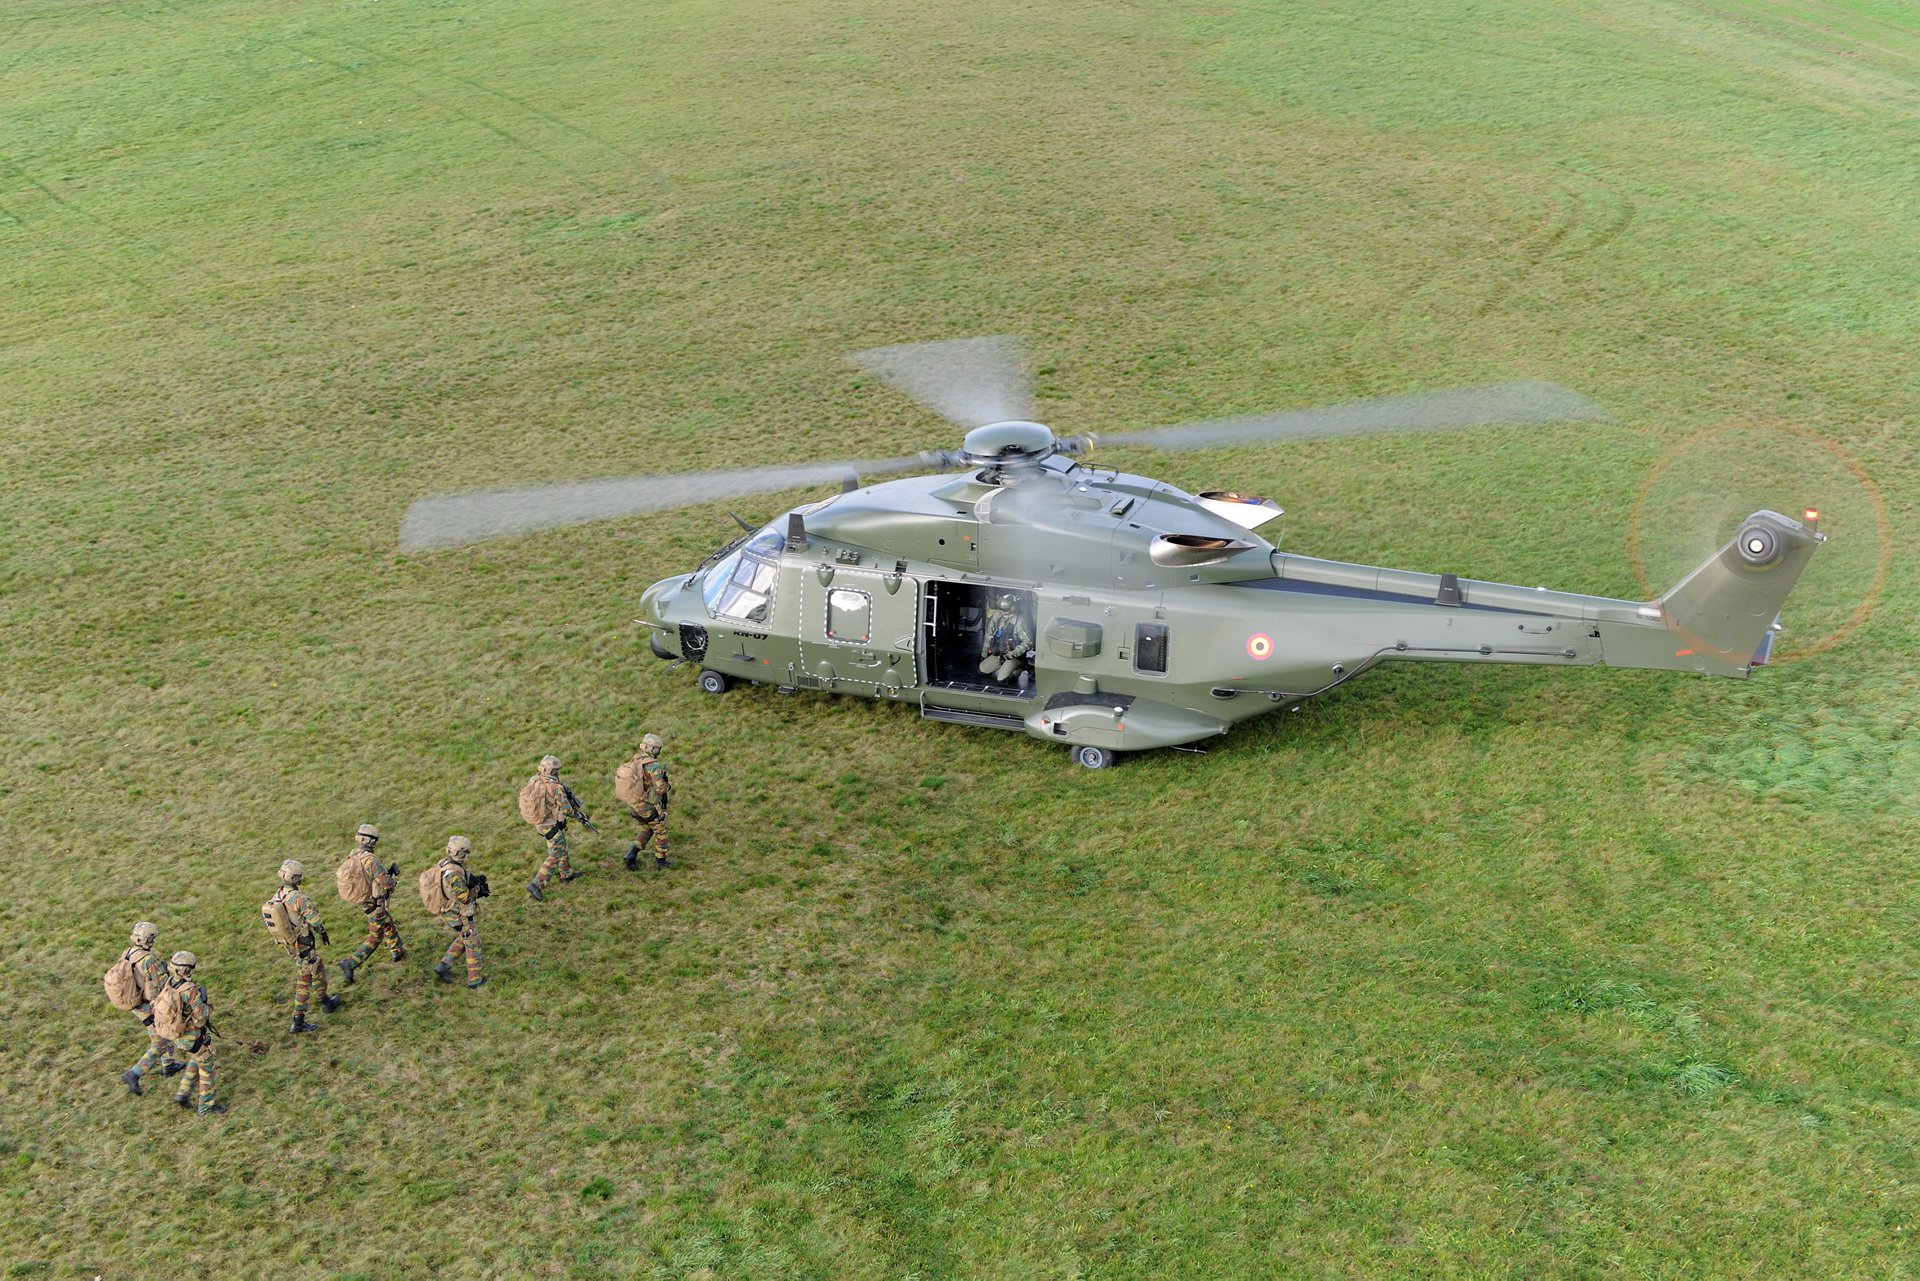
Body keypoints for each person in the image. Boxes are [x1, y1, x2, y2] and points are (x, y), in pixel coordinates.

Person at [263, 858, 343, 1033]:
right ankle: (298, 1021)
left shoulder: (279, 894)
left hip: (291, 943)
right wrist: (322, 932)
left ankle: (325, 1000)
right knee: (305, 979)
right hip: (303, 944)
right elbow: (314, 919)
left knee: (317, 968)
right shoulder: (298, 898)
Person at [118, 921, 183, 1094]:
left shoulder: (128, 952)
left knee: (165, 1031)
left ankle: (168, 1065)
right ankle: (134, 1074)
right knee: (160, 1041)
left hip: (135, 1002)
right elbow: (162, 984)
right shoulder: (148, 960)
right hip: (147, 1006)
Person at [155, 950, 223, 1116]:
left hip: (176, 1034)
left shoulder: (169, 983)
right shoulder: (189, 990)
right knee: (207, 1067)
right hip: (192, 1037)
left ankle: (183, 1093)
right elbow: (201, 1014)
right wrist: (208, 1005)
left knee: (197, 1059)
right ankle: (206, 1107)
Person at [338, 823, 404, 985]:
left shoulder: (354, 854)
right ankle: (351, 963)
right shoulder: (371, 860)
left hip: (363, 899)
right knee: (376, 935)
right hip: (374, 902)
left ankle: (398, 951)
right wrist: (392, 882)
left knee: (387, 922)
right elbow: (385, 882)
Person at [521, 755, 591, 901]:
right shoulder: (555, 787)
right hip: (550, 824)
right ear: (554, 770)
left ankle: (565, 873)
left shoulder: (535, 780)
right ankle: (536, 884)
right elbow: (566, 809)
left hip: (541, 823)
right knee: (556, 853)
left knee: (560, 845)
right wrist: (577, 816)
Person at [432, 836, 488, 989]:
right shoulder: (454, 874)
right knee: (473, 942)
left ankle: (444, 965)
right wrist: (477, 890)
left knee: (464, 936)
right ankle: (475, 980)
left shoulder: (444, 863)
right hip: (456, 912)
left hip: (447, 909)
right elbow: (463, 897)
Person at [616, 733, 674, 872]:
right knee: (661, 830)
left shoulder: (636, 760)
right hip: (645, 806)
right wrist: (668, 785)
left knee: (648, 828)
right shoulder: (654, 766)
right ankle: (661, 861)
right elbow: (660, 789)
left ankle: (631, 855)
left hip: (633, 804)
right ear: (653, 749)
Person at [979, 591, 1033, 683]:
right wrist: (984, 652)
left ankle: (1021, 667)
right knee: (982, 669)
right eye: (1002, 610)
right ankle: (1004, 665)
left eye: (1006, 611)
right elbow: (989, 634)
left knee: (1002, 680)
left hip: (1013, 656)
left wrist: (1010, 655)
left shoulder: (1020, 621)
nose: (1003, 613)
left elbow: (1028, 643)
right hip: (999, 653)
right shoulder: (997, 615)